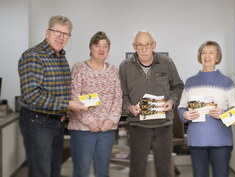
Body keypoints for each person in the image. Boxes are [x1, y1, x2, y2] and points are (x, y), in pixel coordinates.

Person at [18, 15, 87, 177]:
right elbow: (32, 95)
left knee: (55, 170)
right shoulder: (33, 56)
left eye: (65, 34)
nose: (61, 37)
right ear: (47, 32)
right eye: (57, 31)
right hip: (37, 123)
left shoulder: (61, 58)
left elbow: (62, 91)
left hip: (56, 123)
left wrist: (68, 108)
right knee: (41, 172)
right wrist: (68, 105)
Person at [119, 30, 184, 177]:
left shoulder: (167, 63)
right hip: (138, 127)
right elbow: (123, 95)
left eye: (147, 45)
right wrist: (128, 106)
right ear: (134, 46)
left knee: (164, 170)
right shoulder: (125, 67)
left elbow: (178, 86)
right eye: (139, 45)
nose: (143, 49)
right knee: (137, 170)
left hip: (163, 127)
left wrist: (172, 101)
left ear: (154, 45)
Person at [178, 40, 235, 177]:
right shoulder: (190, 82)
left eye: (211, 52)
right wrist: (185, 115)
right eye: (204, 53)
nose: (207, 56)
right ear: (200, 56)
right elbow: (181, 107)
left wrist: (223, 114)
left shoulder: (226, 82)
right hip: (197, 140)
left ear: (217, 57)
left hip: (221, 142)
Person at [68, 31, 122, 177]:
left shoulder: (113, 71)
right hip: (82, 129)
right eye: (97, 45)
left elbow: (118, 99)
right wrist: (90, 121)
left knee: (103, 171)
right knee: (82, 171)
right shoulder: (79, 68)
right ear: (91, 48)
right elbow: (74, 97)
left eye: (105, 46)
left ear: (108, 50)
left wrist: (110, 121)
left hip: (106, 129)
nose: (101, 49)